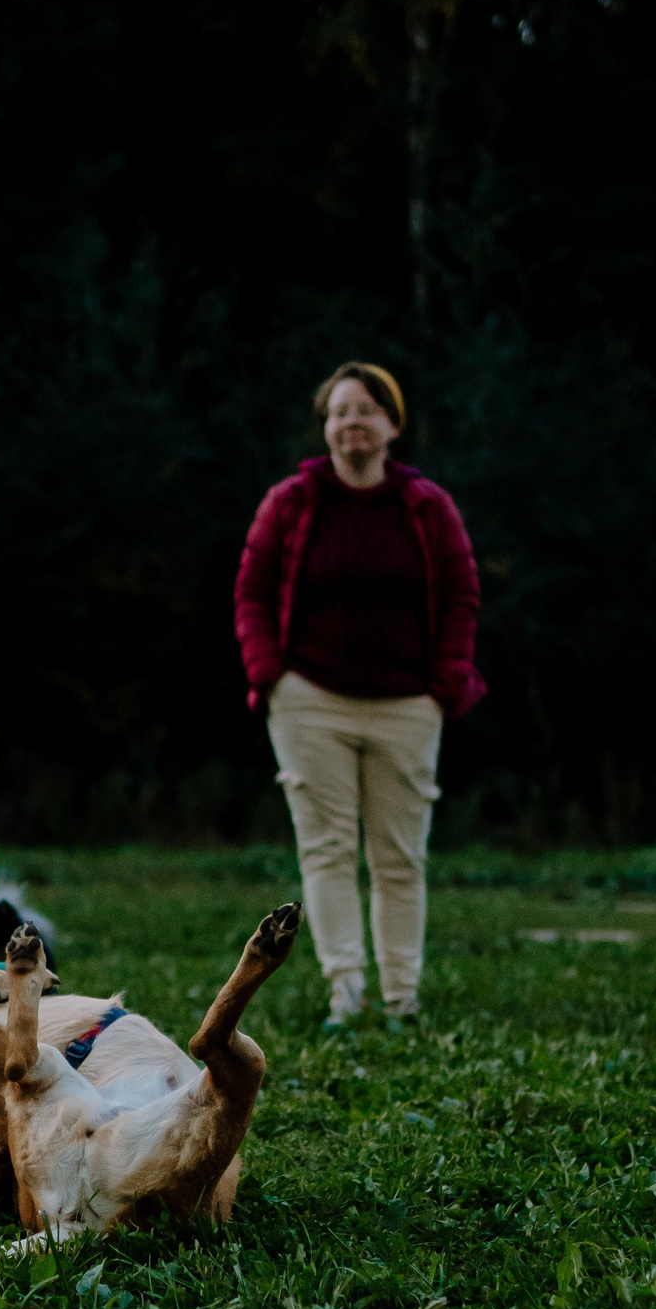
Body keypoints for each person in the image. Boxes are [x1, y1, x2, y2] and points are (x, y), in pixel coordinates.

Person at [234, 362, 486, 1028]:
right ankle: (346, 990)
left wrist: (443, 688)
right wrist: (269, 676)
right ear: (326, 427)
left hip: (409, 704)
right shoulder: (289, 502)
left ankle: (403, 996)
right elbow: (252, 593)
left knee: (400, 857)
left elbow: (462, 597)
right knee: (326, 850)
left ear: (393, 425)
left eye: (368, 410)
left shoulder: (429, 507)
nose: (354, 422)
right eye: (341, 411)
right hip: (309, 701)